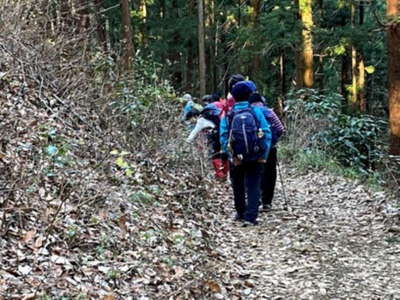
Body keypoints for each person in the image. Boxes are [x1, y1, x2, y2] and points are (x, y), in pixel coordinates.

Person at [220, 81, 272, 226]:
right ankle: (251, 217)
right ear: (250, 95)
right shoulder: (256, 112)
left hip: (237, 156)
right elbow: (266, 133)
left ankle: (240, 212)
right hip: (255, 156)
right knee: (253, 185)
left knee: (237, 184)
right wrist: (263, 155)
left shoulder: (229, 114)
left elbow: (224, 136)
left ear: (234, 97)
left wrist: (231, 156)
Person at [248, 93, 285, 212]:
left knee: (255, 173)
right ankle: (267, 202)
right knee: (270, 173)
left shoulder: (249, 112)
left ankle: (255, 199)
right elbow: (280, 129)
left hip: (254, 149)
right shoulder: (269, 112)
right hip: (270, 148)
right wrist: (273, 140)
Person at [187, 93, 229, 180]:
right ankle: (225, 174)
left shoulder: (202, 120)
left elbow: (193, 133)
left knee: (215, 154)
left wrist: (187, 142)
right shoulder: (217, 110)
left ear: (194, 116)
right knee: (225, 153)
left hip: (215, 135)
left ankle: (220, 175)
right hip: (224, 132)